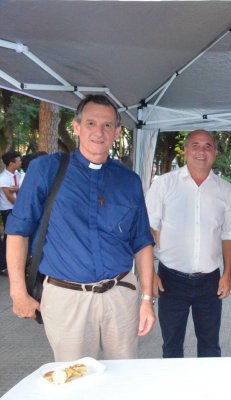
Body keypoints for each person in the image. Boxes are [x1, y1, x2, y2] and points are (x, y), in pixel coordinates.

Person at [6, 94, 156, 361]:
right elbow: (18, 231)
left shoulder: (129, 181)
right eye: (90, 123)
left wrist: (147, 299)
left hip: (120, 297)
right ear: (76, 127)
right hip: (67, 299)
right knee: (75, 382)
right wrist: (18, 291)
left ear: (117, 132)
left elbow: (142, 241)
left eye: (107, 125)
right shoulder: (45, 170)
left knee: (125, 380)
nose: (98, 132)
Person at [145, 130, 231, 358]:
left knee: (210, 347)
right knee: (171, 346)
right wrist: (149, 275)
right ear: (185, 150)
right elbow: (147, 230)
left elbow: (229, 235)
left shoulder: (227, 191)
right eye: (195, 145)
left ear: (215, 152)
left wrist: (227, 275)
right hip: (169, 280)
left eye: (208, 146)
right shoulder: (164, 185)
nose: (202, 151)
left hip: (209, 281)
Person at [0, 151, 21, 274]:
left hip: (16, 209)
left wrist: (18, 189)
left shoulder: (18, 175)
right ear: (11, 163)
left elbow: (21, 189)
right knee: (8, 238)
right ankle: (3, 265)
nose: (20, 162)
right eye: (18, 161)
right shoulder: (3, 178)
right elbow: (10, 197)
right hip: (8, 210)